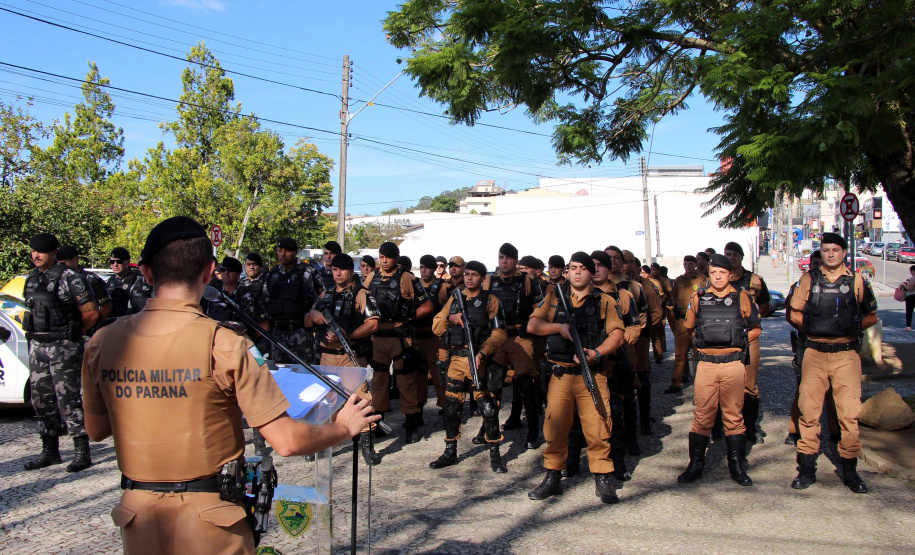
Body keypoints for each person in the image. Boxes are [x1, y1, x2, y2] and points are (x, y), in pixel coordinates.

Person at [81, 216, 379, 554]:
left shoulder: (103, 342)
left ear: (146, 272)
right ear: (210, 273)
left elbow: (96, 429)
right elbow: (287, 441)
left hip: (138, 520)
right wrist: (343, 427)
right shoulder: (223, 344)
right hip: (212, 523)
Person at [527, 252, 626, 504]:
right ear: (567, 272)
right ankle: (552, 476)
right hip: (560, 375)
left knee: (598, 427)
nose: (578, 272)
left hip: (592, 373)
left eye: (583, 267)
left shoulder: (604, 301)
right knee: (555, 427)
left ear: (591, 272)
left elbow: (617, 334)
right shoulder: (553, 298)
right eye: (573, 268)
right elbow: (533, 326)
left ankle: (603, 477)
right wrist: (557, 327)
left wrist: (597, 352)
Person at [788, 232, 878, 493]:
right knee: (809, 412)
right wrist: (815, 327)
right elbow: (793, 312)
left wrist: (853, 326)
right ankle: (806, 469)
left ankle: (850, 471)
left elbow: (871, 314)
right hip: (814, 353)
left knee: (849, 415)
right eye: (826, 250)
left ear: (843, 253)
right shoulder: (808, 280)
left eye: (835, 250)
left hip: (846, 355)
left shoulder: (858, 281)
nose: (829, 254)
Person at [677, 254, 761, 486]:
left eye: (722, 273)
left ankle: (736, 466)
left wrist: (740, 339)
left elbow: (756, 328)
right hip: (706, 365)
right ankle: (695, 465)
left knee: (734, 417)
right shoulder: (699, 297)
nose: (717, 277)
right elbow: (689, 327)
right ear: (709, 274)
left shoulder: (741, 297)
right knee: (702, 416)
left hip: (733, 364)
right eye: (713, 273)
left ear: (729, 274)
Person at [23, 233, 100, 472]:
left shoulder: (70, 278)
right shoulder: (32, 278)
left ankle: (81, 452)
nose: (36, 255)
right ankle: (50, 451)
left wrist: (72, 334)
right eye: (33, 251)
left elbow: (91, 312)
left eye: (41, 251)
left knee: (69, 399)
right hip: (38, 346)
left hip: (63, 347)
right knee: (41, 400)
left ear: (53, 253)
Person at [430, 261, 509, 472]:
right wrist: (450, 316)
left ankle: (495, 454)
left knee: (488, 409)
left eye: (474, 275)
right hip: (456, 360)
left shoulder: (490, 301)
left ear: (483, 278)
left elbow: (500, 333)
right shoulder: (454, 299)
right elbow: (436, 326)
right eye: (466, 274)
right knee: (452, 408)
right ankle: (450, 451)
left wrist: (483, 352)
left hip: (479, 359)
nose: (469, 278)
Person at [305, 253, 381, 465]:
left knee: (360, 400)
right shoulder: (325, 294)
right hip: (327, 357)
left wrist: (348, 335)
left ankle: (367, 447)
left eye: (342, 269)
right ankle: (319, 444)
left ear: (350, 271)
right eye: (334, 269)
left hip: (350, 357)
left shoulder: (360, 293)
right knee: (323, 403)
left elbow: (373, 323)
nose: (337, 273)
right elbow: (307, 320)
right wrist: (313, 316)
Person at [363, 241, 433, 444]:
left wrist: (408, 319)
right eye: (381, 257)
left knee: (405, 381)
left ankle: (411, 425)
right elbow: (362, 301)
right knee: (378, 383)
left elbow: (427, 305)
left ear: (396, 257)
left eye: (388, 257)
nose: (384, 261)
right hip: (378, 338)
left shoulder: (407, 278)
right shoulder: (371, 278)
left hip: (401, 338)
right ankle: (378, 425)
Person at [484, 243, 545, 450]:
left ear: (515, 261)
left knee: (527, 385)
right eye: (501, 257)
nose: (504, 261)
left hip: (520, 336)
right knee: (492, 384)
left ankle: (533, 432)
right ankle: (488, 430)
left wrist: (534, 326)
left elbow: (541, 308)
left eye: (508, 258)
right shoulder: (489, 281)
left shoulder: (528, 282)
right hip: (497, 336)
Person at [590, 250, 640, 481]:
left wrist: (619, 338)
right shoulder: (579, 294)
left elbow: (634, 325)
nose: (597, 269)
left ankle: (618, 462)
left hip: (614, 361)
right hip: (587, 362)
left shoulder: (623, 295)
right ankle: (573, 461)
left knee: (616, 412)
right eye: (594, 265)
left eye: (602, 265)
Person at [786, 251, 840, 445]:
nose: (817, 266)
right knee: (803, 389)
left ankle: (836, 432)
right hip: (807, 343)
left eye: (820, 262)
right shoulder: (801, 285)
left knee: (835, 391)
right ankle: (795, 431)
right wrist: (811, 329)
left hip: (834, 345)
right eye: (814, 263)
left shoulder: (839, 285)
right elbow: (790, 314)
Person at [724, 241, 771, 444]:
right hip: (724, 339)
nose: (731, 257)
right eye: (728, 254)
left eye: (735, 254)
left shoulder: (755, 281)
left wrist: (753, 319)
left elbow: (765, 305)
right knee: (723, 384)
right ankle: (722, 426)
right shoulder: (718, 278)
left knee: (749, 386)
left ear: (742, 257)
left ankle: (750, 428)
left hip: (748, 337)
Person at [624, 250, 664, 436]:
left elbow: (656, 312)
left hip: (639, 339)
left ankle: (645, 420)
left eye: (627, 262)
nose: (623, 265)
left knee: (642, 379)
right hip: (615, 341)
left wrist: (641, 330)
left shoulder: (645, 285)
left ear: (634, 264)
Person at [262, 237, 320, 364]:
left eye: (287, 251)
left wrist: (311, 314)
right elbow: (266, 298)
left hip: (300, 331)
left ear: (295, 252)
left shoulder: (307, 272)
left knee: (305, 373)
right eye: (279, 250)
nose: (282, 254)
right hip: (278, 332)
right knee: (280, 373)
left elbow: (321, 297)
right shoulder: (273, 274)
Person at [664, 256, 709, 394]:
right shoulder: (679, 280)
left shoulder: (702, 280)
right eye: (685, 264)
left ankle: (701, 386)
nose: (687, 266)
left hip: (698, 321)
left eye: (690, 263)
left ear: (695, 265)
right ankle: (675, 383)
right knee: (680, 353)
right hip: (683, 320)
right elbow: (674, 296)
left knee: (699, 354)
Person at [415, 255, 450, 410]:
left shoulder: (443, 287)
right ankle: (417, 409)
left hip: (435, 338)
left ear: (434, 269)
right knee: (417, 377)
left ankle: (445, 408)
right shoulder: (414, 285)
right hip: (416, 337)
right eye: (421, 267)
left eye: (427, 267)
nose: (423, 271)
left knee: (440, 377)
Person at [58, 245, 112, 341]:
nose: (62, 267)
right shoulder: (59, 279)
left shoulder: (91, 279)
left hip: (86, 334)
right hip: (64, 334)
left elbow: (106, 307)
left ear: (75, 259)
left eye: (64, 263)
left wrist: (91, 328)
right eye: (59, 264)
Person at [107, 247, 141, 317]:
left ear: (127, 262)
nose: (115, 265)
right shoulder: (110, 281)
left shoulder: (137, 279)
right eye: (112, 262)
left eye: (119, 261)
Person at [901, 265, 915, 331]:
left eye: (911, 271)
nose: (910, 273)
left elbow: (909, 289)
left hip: (911, 296)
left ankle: (908, 327)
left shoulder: (913, 278)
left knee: (909, 312)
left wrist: (904, 285)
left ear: (913, 271)